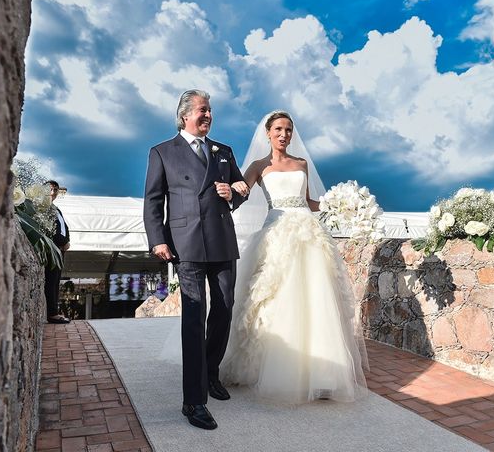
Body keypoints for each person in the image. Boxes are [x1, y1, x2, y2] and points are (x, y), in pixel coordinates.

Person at [220, 110, 368, 403]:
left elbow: (309, 202)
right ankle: (270, 369)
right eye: (278, 129)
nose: (284, 134)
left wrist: (338, 204)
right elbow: (242, 193)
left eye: (288, 129)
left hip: (309, 235)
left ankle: (322, 375)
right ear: (268, 132)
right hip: (276, 234)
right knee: (276, 298)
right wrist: (234, 188)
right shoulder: (258, 166)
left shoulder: (301, 164)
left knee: (316, 298)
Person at [143, 89, 247, 430]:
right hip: (186, 245)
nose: (209, 115)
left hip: (221, 240)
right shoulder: (162, 152)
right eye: (203, 110)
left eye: (211, 110)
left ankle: (210, 371)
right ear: (185, 114)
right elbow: (153, 200)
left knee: (225, 307)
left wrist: (233, 193)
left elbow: (240, 188)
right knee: (193, 316)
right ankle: (193, 401)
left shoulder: (224, 151)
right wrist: (157, 240)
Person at [43, 180, 71, 324]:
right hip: (52, 249)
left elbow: (64, 227)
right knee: (51, 281)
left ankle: (54, 311)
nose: (53, 192)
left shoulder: (56, 209)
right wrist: (63, 242)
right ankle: (52, 314)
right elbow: (49, 229)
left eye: (55, 190)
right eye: (51, 189)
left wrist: (67, 241)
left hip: (60, 249)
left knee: (56, 281)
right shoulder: (42, 207)